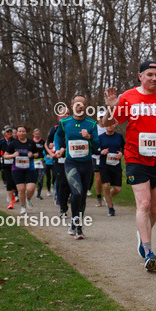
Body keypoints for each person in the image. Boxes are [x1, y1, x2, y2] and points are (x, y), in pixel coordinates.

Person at [104, 60, 156, 272]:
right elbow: (107, 124)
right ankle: (149, 252)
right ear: (140, 76)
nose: (154, 78)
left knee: (153, 208)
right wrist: (110, 108)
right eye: (149, 74)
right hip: (135, 156)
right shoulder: (128, 97)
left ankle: (142, 236)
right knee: (143, 203)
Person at [53, 95, 100, 239]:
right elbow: (57, 136)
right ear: (72, 105)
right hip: (71, 163)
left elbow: (97, 145)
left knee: (83, 196)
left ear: (86, 107)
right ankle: (75, 221)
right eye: (77, 104)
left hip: (86, 164)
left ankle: (77, 225)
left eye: (83, 104)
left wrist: (89, 138)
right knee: (77, 192)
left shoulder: (91, 124)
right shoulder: (65, 122)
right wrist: (57, 148)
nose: (80, 106)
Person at [4, 125, 42, 214]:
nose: (21, 133)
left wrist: (32, 155)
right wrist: (13, 155)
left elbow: (37, 154)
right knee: (21, 189)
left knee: (31, 188)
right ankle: (23, 207)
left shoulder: (31, 143)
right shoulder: (13, 143)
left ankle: (28, 199)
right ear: (16, 133)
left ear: (26, 133)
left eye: (23, 131)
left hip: (30, 168)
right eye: (20, 131)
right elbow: (5, 156)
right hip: (17, 169)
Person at [98, 122, 126, 216]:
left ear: (115, 125)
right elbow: (94, 150)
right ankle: (111, 208)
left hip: (116, 165)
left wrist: (121, 154)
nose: (110, 126)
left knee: (117, 189)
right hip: (104, 165)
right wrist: (101, 152)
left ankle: (107, 197)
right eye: (107, 124)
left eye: (111, 124)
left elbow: (125, 148)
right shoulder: (100, 137)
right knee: (106, 186)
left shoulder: (119, 136)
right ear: (105, 126)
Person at [46, 114, 70, 216]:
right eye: (63, 114)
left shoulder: (73, 126)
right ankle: (63, 208)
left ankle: (71, 203)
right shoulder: (55, 128)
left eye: (68, 113)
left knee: (71, 182)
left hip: (72, 158)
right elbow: (47, 143)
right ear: (59, 117)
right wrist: (51, 153)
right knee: (61, 183)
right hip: (59, 159)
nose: (66, 115)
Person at [0, 127, 17, 209]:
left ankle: (12, 194)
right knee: (8, 181)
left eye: (10, 132)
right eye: (7, 132)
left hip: (14, 163)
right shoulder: (1, 142)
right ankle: (10, 200)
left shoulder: (15, 141)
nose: (9, 133)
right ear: (4, 133)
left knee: (14, 181)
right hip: (5, 164)